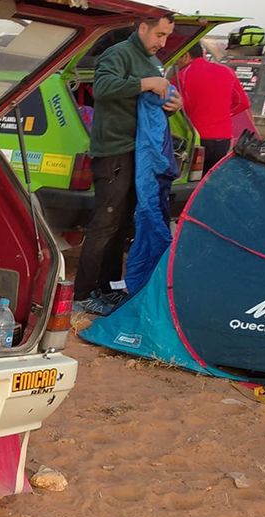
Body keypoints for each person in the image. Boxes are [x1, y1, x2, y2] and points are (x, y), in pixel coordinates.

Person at [74, 12, 182, 316]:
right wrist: (147, 82)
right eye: (159, 34)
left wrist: (174, 105)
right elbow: (104, 87)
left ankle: (108, 290)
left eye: (166, 37)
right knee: (104, 224)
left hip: (141, 154)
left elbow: (154, 103)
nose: (162, 43)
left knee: (122, 225)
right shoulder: (119, 53)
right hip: (115, 152)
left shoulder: (154, 62)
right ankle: (82, 295)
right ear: (143, 27)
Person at [174, 43, 251, 169]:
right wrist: (222, 113)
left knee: (190, 181)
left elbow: (175, 107)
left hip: (196, 138)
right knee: (208, 180)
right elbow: (243, 103)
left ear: (185, 56)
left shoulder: (182, 76)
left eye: (177, 59)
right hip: (223, 139)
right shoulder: (227, 71)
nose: (176, 63)